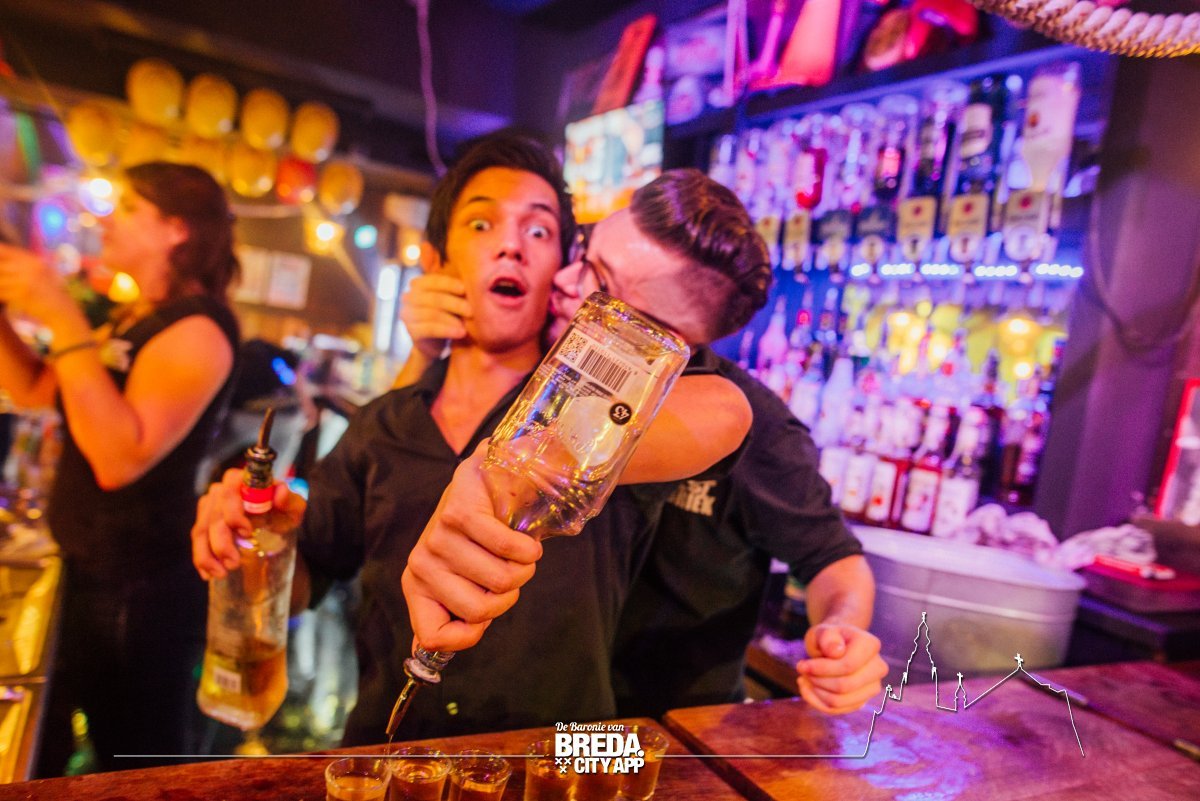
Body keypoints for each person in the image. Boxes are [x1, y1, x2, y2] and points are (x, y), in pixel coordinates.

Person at [191, 132, 753, 743]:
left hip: (559, 763)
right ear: (438, 263)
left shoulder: (599, 414)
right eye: (482, 224)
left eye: (538, 231)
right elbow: (307, 581)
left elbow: (726, 411)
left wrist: (506, 471)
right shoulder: (384, 423)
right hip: (389, 754)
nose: (511, 245)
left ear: (562, 272)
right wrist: (258, 541)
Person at [404, 169, 886, 716]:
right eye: (584, 253)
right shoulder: (554, 355)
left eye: (600, 285)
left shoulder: (754, 422)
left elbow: (835, 561)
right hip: (554, 708)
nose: (565, 279)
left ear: (670, 340)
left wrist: (843, 636)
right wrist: (423, 353)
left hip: (665, 725)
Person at [0, 162, 240, 774]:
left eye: (130, 208)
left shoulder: (200, 327)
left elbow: (120, 458)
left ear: (177, 230)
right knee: (46, 750)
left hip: (138, 590)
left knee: (138, 766)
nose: (107, 219)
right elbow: (38, 390)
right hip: (88, 570)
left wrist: (61, 315)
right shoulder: (134, 317)